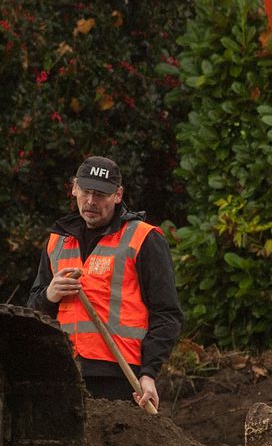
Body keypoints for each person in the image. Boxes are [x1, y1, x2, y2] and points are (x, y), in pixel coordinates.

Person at [27, 156, 183, 411]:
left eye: (100, 194)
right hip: (65, 371)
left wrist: (149, 373)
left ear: (118, 195)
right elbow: (33, 309)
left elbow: (167, 314)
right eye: (86, 191)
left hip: (120, 376)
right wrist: (49, 295)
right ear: (74, 188)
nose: (90, 202)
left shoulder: (143, 238)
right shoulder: (57, 241)